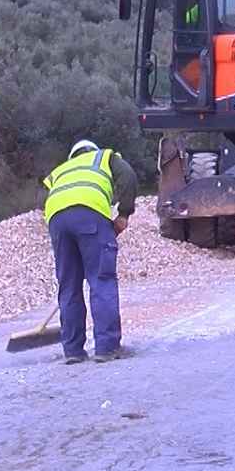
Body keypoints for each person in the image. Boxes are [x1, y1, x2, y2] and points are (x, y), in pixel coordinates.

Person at [39, 139, 137, 363]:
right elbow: (129, 176)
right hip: (90, 214)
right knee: (101, 280)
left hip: (56, 219)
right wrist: (124, 213)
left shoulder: (61, 171)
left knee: (69, 287)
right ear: (91, 151)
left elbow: (43, 200)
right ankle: (107, 347)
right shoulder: (104, 158)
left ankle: (72, 351)